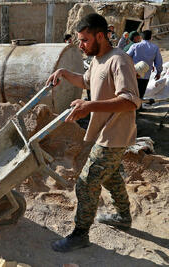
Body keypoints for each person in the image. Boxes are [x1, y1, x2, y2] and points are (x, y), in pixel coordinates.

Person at [46, 13, 141, 253]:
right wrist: (65, 73)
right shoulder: (98, 60)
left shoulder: (119, 60)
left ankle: (80, 235)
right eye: (79, 40)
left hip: (115, 134)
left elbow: (130, 100)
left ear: (101, 35)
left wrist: (90, 106)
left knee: (87, 182)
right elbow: (87, 82)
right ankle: (123, 216)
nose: (81, 45)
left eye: (85, 40)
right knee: (110, 176)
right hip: (104, 133)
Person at [127, 30, 163, 99]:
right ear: (151, 37)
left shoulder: (135, 46)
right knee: (141, 92)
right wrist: (158, 72)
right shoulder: (155, 48)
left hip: (134, 73)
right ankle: (139, 106)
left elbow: (126, 56)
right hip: (146, 74)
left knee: (133, 91)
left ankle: (132, 107)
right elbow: (158, 62)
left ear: (141, 37)